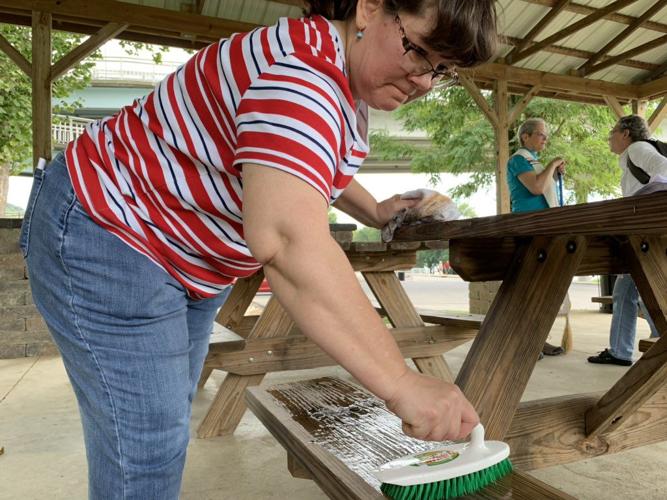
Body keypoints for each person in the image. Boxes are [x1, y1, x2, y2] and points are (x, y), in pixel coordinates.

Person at [18, 1, 498, 498]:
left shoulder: (334, 70)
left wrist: (374, 209)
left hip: (188, 256)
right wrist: (400, 382)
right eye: (419, 51)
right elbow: (286, 238)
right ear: (370, 9)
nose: (423, 81)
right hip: (113, 230)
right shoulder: (301, 76)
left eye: (442, 71)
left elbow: (299, 156)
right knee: (144, 443)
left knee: (162, 418)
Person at [588, 115, 666, 366]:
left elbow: (664, 170)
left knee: (640, 288)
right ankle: (626, 349)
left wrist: (640, 205)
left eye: (612, 132)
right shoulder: (633, 154)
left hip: (646, 233)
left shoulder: (638, 148)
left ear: (625, 133)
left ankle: (635, 347)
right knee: (630, 290)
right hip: (645, 233)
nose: (609, 137)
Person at [507, 117, 568, 357]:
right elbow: (535, 188)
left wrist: (552, 170)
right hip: (528, 228)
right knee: (529, 285)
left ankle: (538, 339)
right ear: (526, 136)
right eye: (541, 134)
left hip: (545, 229)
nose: (545, 138)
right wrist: (553, 164)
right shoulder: (518, 160)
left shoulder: (534, 162)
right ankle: (522, 342)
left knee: (544, 285)